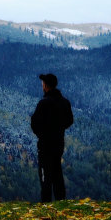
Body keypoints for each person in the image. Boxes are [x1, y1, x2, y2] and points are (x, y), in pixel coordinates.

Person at [30, 73, 73, 202]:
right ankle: (61, 202)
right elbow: (69, 120)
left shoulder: (43, 103)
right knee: (57, 174)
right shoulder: (65, 102)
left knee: (45, 178)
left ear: (45, 86)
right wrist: (58, 130)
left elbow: (34, 124)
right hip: (58, 144)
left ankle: (46, 205)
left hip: (45, 146)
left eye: (43, 83)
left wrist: (43, 135)